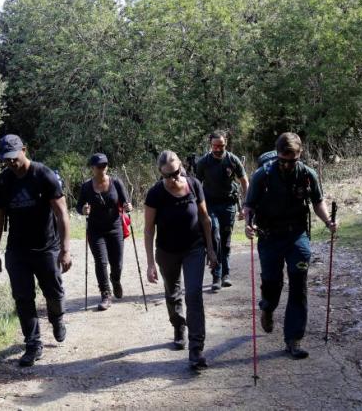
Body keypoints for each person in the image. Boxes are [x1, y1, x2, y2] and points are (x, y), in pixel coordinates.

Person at [243, 133, 338, 359]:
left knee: (298, 284)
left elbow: (317, 201)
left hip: (297, 235)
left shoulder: (307, 174)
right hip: (269, 236)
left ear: (300, 154)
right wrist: (248, 225)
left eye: (292, 161)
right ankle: (268, 307)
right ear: (277, 155)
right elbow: (249, 206)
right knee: (272, 284)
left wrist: (328, 221)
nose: (287, 165)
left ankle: (293, 339)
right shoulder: (262, 175)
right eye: (282, 160)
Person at [0, 134, 72, 367]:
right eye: (6, 159)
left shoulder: (43, 175)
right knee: (23, 297)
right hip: (17, 250)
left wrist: (65, 250)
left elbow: (62, 214)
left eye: (13, 157)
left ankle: (57, 318)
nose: (10, 163)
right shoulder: (3, 182)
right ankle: (33, 344)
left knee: (54, 293)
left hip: (46, 247)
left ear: (24, 150)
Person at [144, 150, 218, 369]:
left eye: (175, 173)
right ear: (160, 173)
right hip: (167, 251)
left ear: (181, 167)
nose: (173, 178)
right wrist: (150, 263)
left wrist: (211, 249)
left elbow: (205, 219)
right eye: (167, 175)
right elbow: (148, 230)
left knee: (193, 295)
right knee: (172, 292)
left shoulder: (194, 185)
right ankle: (178, 325)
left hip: (194, 248)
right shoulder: (155, 194)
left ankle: (196, 349)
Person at [76, 153, 133, 311]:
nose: (102, 169)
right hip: (95, 230)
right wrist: (83, 210)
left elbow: (126, 202)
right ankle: (106, 294)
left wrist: (128, 206)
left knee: (117, 264)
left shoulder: (116, 183)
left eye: (105, 165)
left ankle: (115, 280)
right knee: (101, 262)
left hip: (115, 228)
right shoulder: (86, 187)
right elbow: (79, 206)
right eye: (99, 166)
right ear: (93, 168)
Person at [195, 131, 249, 292]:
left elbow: (245, 182)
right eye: (215, 146)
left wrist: (245, 204)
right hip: (210, 205)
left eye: (221, 145)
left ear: (226, 143)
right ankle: (216, 276)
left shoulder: (233, 160)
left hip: (228, 205)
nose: (218, 149)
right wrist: (197, 207)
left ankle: (226, 274)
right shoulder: (203, 162)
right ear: (210, 145)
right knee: (215, 235)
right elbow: (197, 185)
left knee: (225, 241)